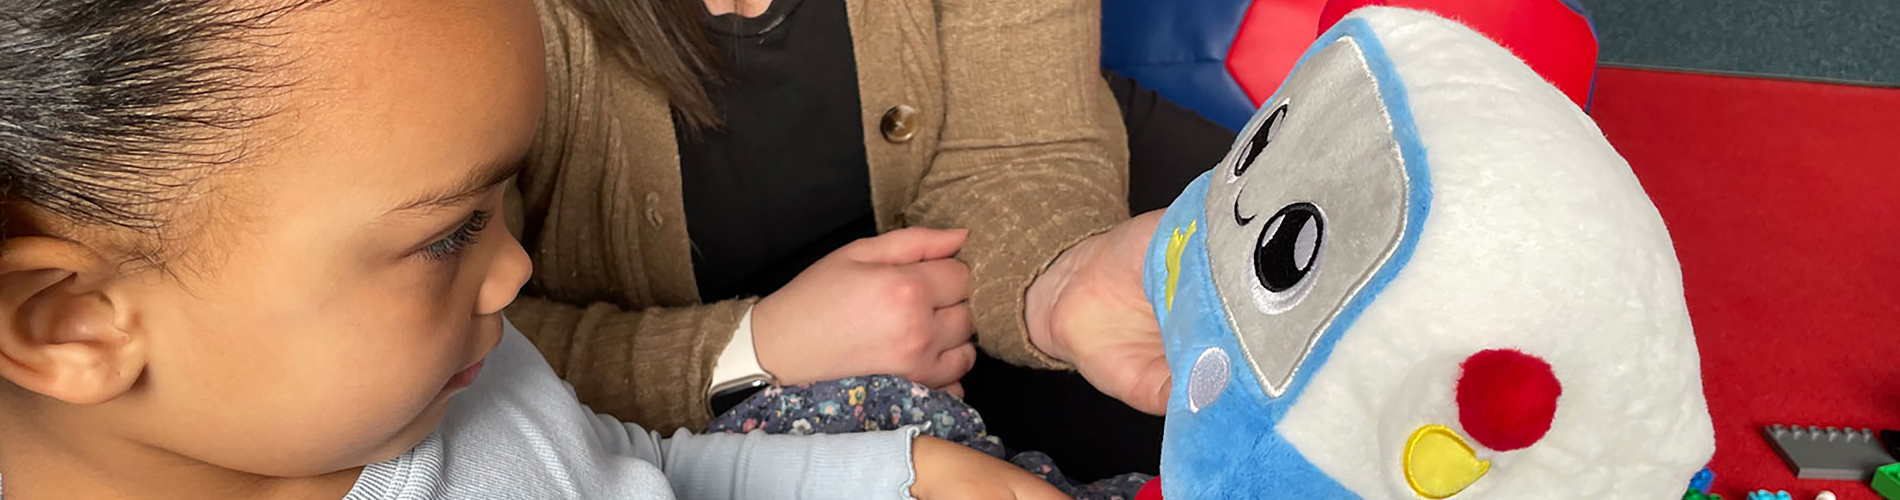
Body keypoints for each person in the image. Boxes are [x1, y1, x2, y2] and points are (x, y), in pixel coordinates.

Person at [0, 1, 1077, 499]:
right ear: (71, 323)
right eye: (449, 233)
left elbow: (620, 470)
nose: (514, 270)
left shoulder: (446, 374)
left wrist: (901, 474)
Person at [509, 0, 1184, 442]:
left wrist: (1057, 280)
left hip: (973, 296)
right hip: (637, 413)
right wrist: (748, 352)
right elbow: (449, 337)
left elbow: (1021, 147)